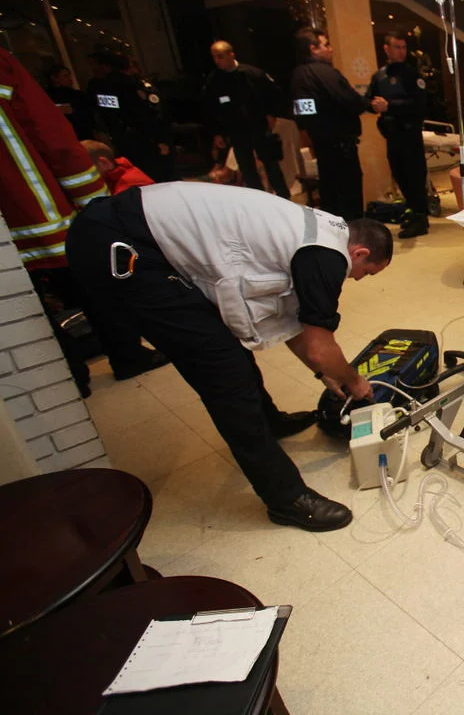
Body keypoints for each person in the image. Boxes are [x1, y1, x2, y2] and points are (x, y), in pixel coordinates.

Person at [66, 182, 394, 531]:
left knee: (224, 347)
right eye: (367, 272)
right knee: (223, 371)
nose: (359, 279)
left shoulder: (318, 230)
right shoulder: (327, 258)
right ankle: (286, 498)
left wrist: (323, 373)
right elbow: (319, 346)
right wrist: (353, 380)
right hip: (121, 248)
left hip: (124, 228)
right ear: (358, 253)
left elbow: (289, 321)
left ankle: (269, 422)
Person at [0, 48, 164, 397]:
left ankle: (69, 376)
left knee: (30, 310)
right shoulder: (3, 66)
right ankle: (125, 355)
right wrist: (95, 206)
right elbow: (54, 139)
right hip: (45, 218)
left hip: (14, 230)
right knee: (97, 288)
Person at [290, 28, 370, 221]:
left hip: (322, 146)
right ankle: (353, 237)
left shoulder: (297, 77)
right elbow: (351, 102)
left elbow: (302, 114)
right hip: (340, 146)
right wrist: (367, 104)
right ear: (313, 49)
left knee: (330, 195)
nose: (331, 49)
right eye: (326, 44)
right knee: (347, 197)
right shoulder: (325, 74)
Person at [202, 41, 290, 199]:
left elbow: (274, 94)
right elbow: (211, 108)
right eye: (214, 57)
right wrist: (217, 133)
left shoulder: (253, 74)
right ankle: (258, 199)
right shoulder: (214, 81)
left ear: (231, 55)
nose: (217, 61)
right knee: (247, 168)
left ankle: (283, 196)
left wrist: (272, 114)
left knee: (270, 163)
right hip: (236, 130)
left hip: (258, 126)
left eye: (220, 56)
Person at [367, 32, 430, 238]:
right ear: (387, 49)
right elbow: (369, 99)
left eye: (404, 47)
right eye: (397, 47)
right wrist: (373, 105)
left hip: (410, 134)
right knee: (400, 175)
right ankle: (410, 213)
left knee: (414, 177)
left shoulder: (412, 75)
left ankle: (420, 218)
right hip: (391, 136)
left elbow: (420, 105)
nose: (401, 51)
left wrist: (390, 106)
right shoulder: (380, 76)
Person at [86, 51, 175, 183]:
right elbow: (150, 114)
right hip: (145, 141)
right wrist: (161, 140)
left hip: (121, 140)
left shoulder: (101, 87)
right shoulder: (131, 85)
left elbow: (105, 114)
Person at [82, 139, 155, 196]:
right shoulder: (113, 180)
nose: (83, 176)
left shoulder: (129, 187)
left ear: (104, 163)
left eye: (86, 169)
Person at [45, 64, 92, 140]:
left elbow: (87, 114)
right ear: (54, 78)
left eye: (69, 76)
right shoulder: (47, 97)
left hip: (82, 133)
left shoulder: (78, 95)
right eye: (65, 76)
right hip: (63, 135)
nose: (70, 79)